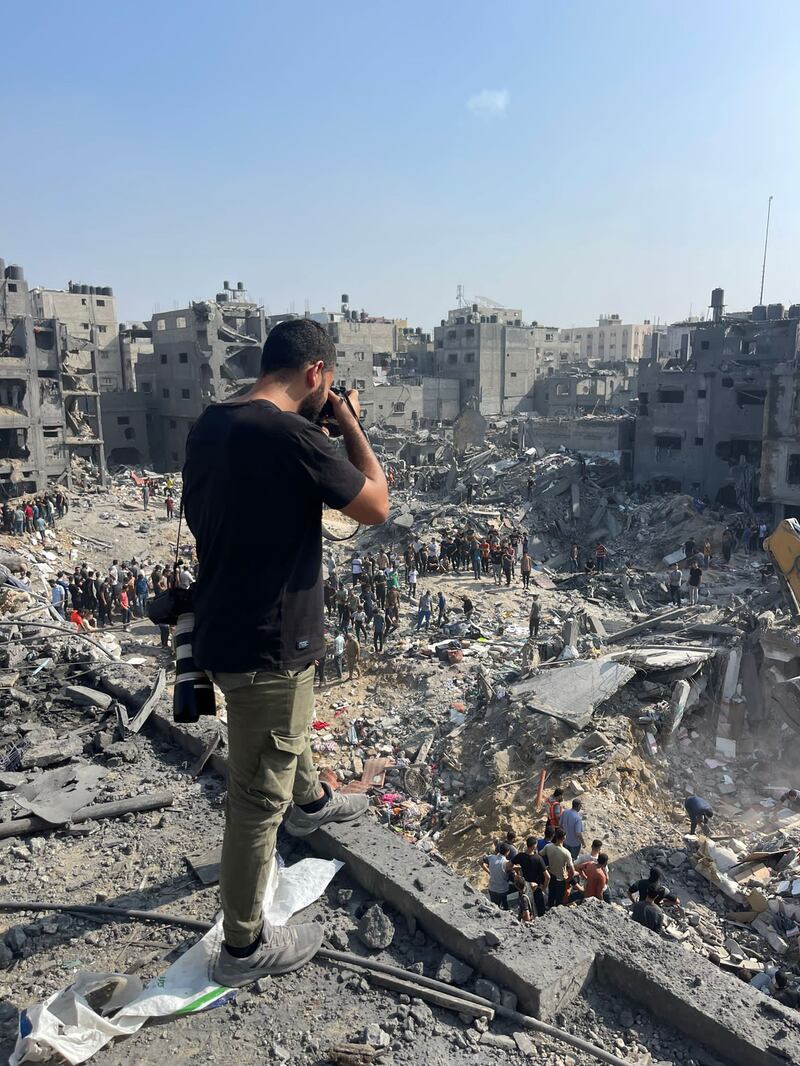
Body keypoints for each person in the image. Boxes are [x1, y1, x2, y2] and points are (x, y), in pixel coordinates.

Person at [182, 317, 388, 987]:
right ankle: (242, 946)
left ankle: (313, 802)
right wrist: (350, 423)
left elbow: (211, 509)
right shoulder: (294, 436)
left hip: (221, 626)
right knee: (253, 799)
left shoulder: (214, 422)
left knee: (285, 734)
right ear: (316, 374)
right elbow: (376, 504)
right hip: (266, 646)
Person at [516, 836, 548, 917]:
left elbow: (508, 866)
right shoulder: (538, 858)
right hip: (536, 887)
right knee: (541, 911)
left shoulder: (520, 856)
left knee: (525, 907)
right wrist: (543, 888)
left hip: (524, 886)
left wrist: (517, 872)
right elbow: (548, 877)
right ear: (534, 846)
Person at [543, 827, 574, 907]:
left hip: (551, 875)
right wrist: (568, 879)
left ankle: (549, 910)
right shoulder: (566, 852)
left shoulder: (548, 847)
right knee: (559, 900)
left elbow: (540, 855)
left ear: (555, 836)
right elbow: (572, 870)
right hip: (560, 879)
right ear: (564, 838)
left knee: (551, 896)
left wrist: (546, 868)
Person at [481, 842, 513, 909]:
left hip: (492, 888)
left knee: (495, 907)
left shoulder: (491, 857)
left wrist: (488, 871)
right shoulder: (506, 863)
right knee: (505, 905)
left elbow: (480, 861)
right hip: (503, 889)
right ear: (508, 852)